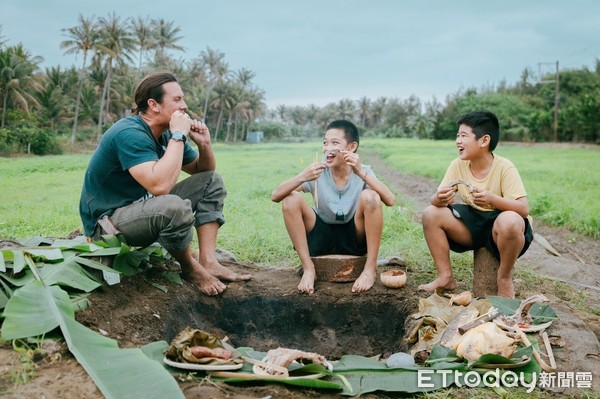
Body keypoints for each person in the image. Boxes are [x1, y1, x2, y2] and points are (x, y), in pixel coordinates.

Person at [79, 72, 251, 296]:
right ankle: (190, 268)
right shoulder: (129, 133)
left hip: (141, 212)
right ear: (153, 105)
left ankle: (209, 261)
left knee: (212, 182)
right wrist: (179, 135)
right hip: (107, 226)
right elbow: (160, 188)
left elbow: (204, 172)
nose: (185, 106)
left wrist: (204, 145)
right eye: (177, 100)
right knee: (173, 206)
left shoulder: (164, 134)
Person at [271, 120, 395, 294]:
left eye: (334, 143)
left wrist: (361, 173)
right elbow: (276, 196)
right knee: (290, 198)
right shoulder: (317, 171)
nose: (327, 148)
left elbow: (389, 200)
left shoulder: (362, 171)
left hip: (354, 236)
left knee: (371, 196)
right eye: (325, 142)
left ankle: (370, 269)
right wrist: (302, 177)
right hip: (321, 235)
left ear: (351, 147)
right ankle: (308, 268)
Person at [418, 111, 533, 298]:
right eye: (457, 135)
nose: (458, 141)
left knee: (510, 221)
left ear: (484, 141)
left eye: (464, 136)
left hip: (502, 229)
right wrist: (440, 199)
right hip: (474, 225)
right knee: (431, 213)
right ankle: (446, 276)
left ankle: (504, 278)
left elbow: (523, 209)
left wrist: (492, 199)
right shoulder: (458, 165)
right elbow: (436, 199)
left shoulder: (505, 167)